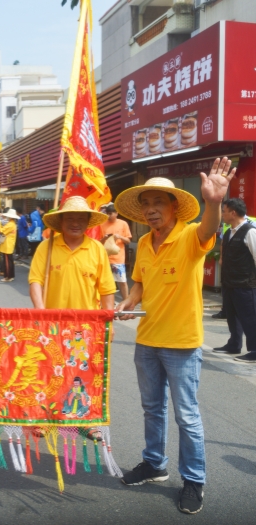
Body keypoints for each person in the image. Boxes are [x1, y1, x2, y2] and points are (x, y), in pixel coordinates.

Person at [115, 158, 236, 515]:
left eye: (158, 203)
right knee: (152, 408)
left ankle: (194, 480)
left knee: (186, 414)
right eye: (146, 204)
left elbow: (209, 228)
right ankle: (154, 464)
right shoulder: (144, 242)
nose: (151, 210)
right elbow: (140, 282)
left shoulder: (191, 236)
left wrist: (214, 202)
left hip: (182, 344)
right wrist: (129, 300)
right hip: (147, 339)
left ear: (173, 207)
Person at [28, 196, 114, 310]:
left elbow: (106, 288)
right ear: (61, 221)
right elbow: (35, 280)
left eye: (81, 219)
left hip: (86, 322)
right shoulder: (46, 247)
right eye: (69, 219)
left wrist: (108, 323)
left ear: (88, 222)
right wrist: (40, 310)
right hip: (54, 321)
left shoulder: (97, 248)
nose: (75, 224)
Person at [212, 198, 256, 361]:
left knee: (250, 317)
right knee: (232, 316)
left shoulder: (250, 231)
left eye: (223, 211)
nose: (222, 214)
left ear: (233, 212)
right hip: (230, 282)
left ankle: (255, 350)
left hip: (246, 284)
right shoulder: (229, 231)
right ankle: (234, 344)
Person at [100, 203, 132, 301]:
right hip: (105, 258)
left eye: (111, 214)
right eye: (107, 214)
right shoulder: (102, 224)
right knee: (106, 282)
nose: (109, 216)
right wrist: (104, 238)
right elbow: (98, 242)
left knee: (122, 281)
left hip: (118, 258)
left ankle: (126, 302)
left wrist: (120, 237)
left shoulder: (123, 224)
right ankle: (108, 304)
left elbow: (128, 241)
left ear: (116, 213)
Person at [0, 209, 19, 282]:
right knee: (9, 261)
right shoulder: (12, 223)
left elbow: (2, 231)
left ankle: (8, 276)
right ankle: (10, 275)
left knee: (7, 262)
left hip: (7, 245)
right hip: (9, 245)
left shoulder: (10, 224)